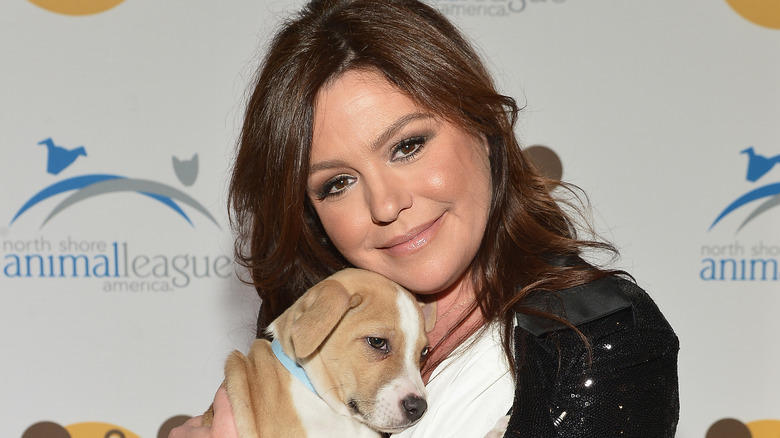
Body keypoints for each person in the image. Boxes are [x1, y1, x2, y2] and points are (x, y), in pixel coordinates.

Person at [171, 0, 680, 437]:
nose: (386, 205)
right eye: (337, 184)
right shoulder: (315, 338)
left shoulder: (597, 338)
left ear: (482, 127)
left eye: (407, 146)